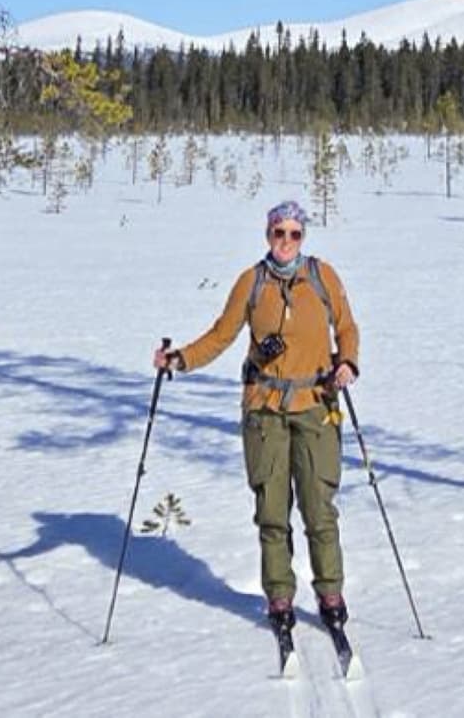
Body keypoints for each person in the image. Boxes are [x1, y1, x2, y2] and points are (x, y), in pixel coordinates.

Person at [154, 200, 360, 639]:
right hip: (264, 410)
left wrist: (348, 363)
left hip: (316, 406)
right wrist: (179, 359)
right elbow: (221, 335)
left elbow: (347, 328)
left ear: (304, 237)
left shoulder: (323, 277)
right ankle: (279, 596)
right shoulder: (252, 282)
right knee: (271, 510)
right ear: (267, 234)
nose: (285, 242)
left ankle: (330, 595)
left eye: (294, 234)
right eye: (278, 233)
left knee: (319, 508)